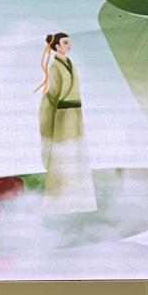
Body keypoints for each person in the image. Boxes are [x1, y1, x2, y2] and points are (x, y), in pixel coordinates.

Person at [35, 32, 97, 214]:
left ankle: (82, 202)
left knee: (78, 153)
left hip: (75, 114)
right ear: (56, 46)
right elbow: (52, 95)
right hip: (62, 116)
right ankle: (59, 202)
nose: (69, 45)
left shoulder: (71, 64)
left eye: (69, 42)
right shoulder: (55, 67)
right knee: (63, 155)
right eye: (65, 42)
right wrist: (47, 114)